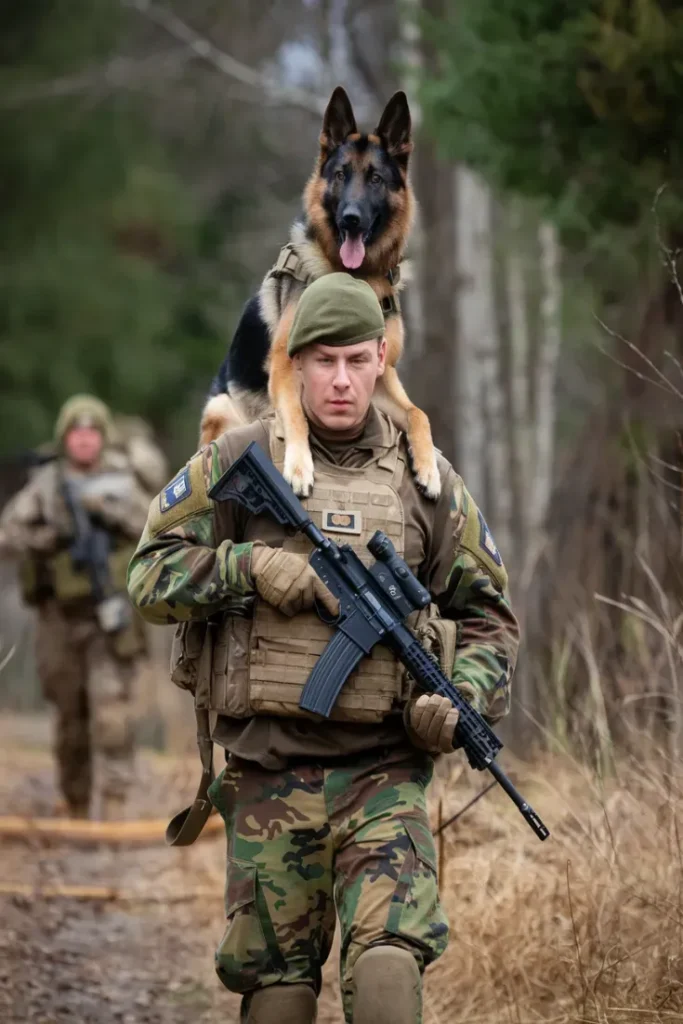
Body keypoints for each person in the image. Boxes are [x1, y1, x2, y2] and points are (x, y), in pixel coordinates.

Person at [127, 274, 519, 1024]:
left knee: (385, 973)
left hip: (385, 773)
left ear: (381, 362)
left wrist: (459, 697)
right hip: (269, 774)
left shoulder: (426, 482)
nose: (341, 380)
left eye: (356, 361)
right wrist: (248, 567)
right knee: (276, 993)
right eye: (323, 361)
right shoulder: (236, 463)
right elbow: (148, 577)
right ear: (294, 362)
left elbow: (489, 616)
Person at [0, 395, 152, 820]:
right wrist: (46, 538)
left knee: (113, 717)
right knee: (70, 720)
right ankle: (77, 806)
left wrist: (112, 515)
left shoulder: (123, 482)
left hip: (110, 615)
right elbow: (8, 536)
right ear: (64, 438)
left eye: (92, 432)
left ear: (103, 438)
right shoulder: (47, 485)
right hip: (60, 619)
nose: (84, 440)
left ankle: (117, 810)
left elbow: (156, 528)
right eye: (76, 432)